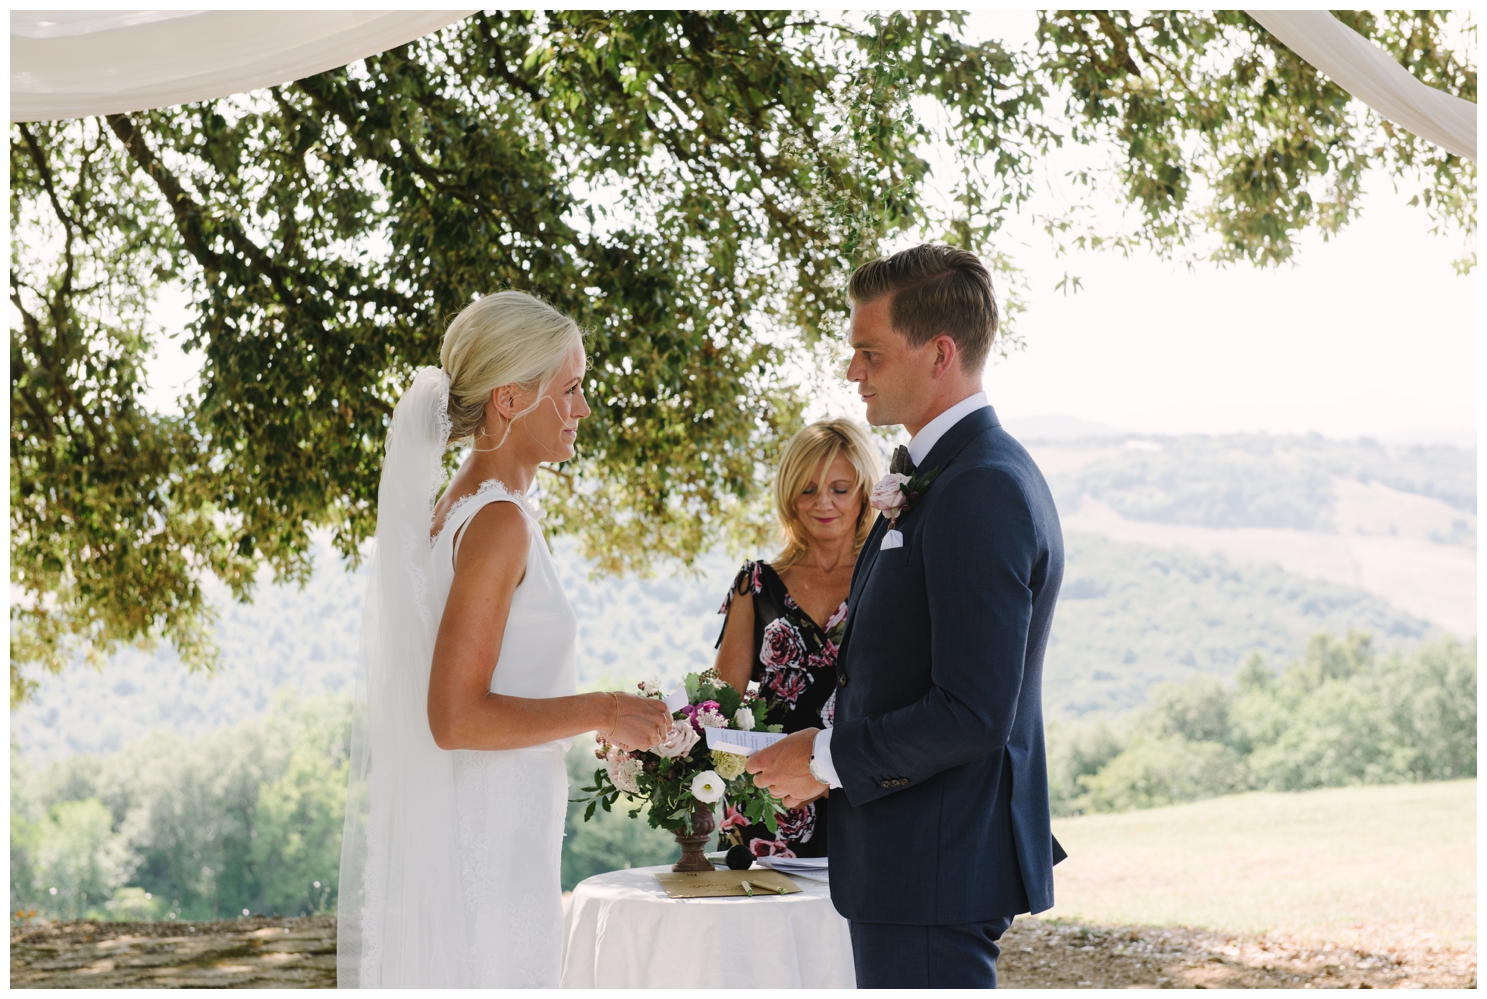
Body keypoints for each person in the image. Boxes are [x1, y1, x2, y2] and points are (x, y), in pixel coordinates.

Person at [747, 245, 1066, 988]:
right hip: (916, 859)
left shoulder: (981, 486)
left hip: (937, 861)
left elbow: (972, 709)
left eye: (869, 352)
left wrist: (823, 759)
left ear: (939, 353)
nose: (852, 371)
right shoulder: (947, 476)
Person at [336, 291, 672, 988]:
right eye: (571, 388)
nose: (582, 409)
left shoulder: (459, 510)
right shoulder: (495, 523)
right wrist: (604, 709)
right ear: (510, 400)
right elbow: (455, 717)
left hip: (497, 826)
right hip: (485, 841)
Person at [712, 419, 882, 858]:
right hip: (769, 808)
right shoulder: (755, 585)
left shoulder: (892, 577)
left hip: (866, 801)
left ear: (865, 491)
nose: (823, 503)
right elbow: (720, 709)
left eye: (840, 489)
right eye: (807, 490)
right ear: (789, 496)